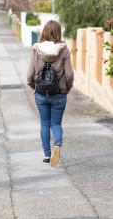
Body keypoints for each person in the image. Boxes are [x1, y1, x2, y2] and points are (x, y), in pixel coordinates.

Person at [27, 20, 73, 167]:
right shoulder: (64, 50)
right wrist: (67, 88)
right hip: (59, 93)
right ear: (58, 32)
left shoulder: (36, 49)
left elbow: (29, 74)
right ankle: (57, 146)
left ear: (44, 32)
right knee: (56, 123)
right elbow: (70, 75)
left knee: (45, 124)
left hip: (41, 93)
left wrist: (34, 87)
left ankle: (47, 155)